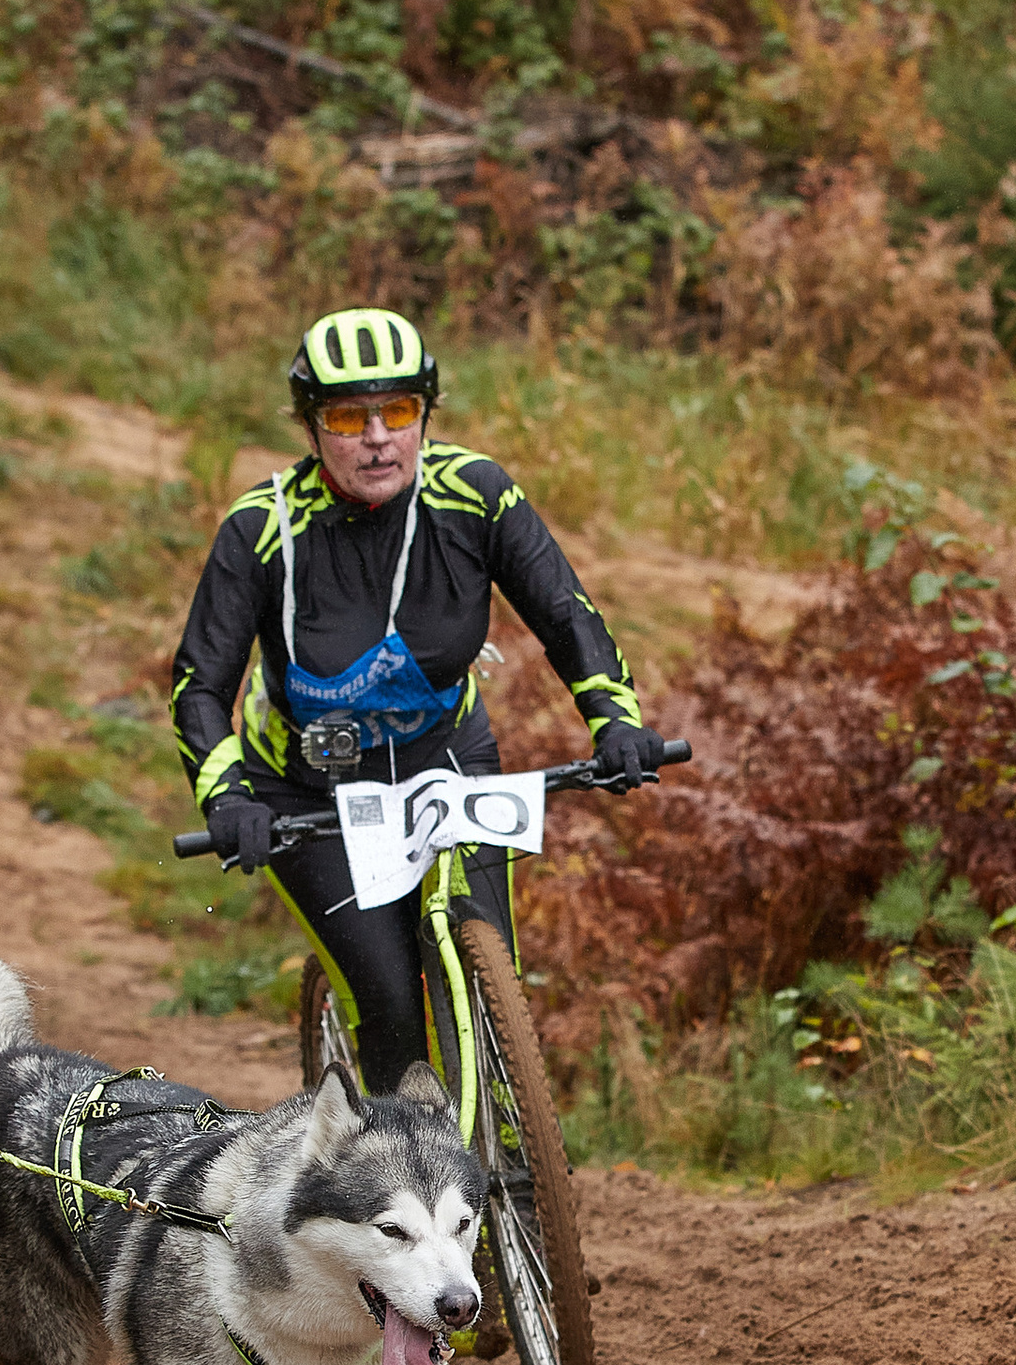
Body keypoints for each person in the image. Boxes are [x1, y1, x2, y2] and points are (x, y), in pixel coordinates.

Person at [169, 306, 657, 1094]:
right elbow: (200, 683)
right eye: (347, 416)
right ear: (310, 426)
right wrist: (226, 795)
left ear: (425, 415)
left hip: (445, 753)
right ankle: (403, 1185)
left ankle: (509, 1150)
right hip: (308, 783)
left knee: (495, 990)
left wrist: (616, 719)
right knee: (393, 1002)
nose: (377, 437)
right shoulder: (260, 531)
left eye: (398, 411)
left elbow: (567, 614)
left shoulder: (476, 496)